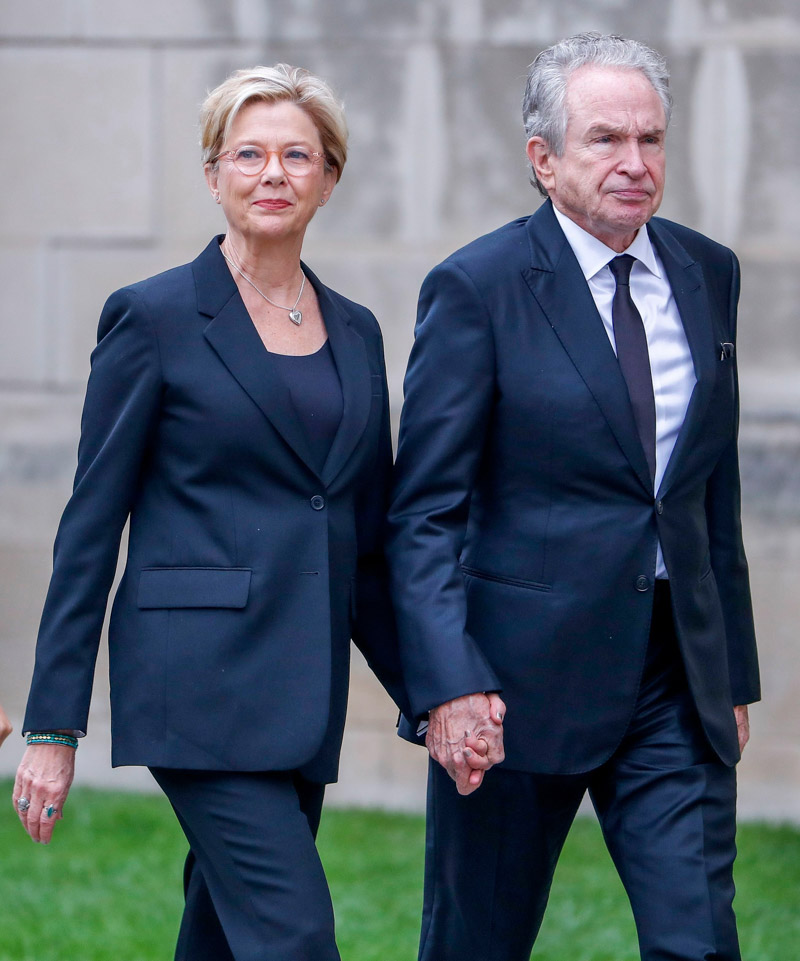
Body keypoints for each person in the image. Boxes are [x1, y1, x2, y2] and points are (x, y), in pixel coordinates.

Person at [13, 63, 409, 961]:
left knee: (225, 938)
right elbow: (89, 526)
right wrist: (53, 723)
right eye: (251, 153)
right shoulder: (151, 318)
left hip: (302, 682)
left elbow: (364, 536)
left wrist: (429, 693)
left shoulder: (357, 332)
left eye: (297, 154)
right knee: (296, 935)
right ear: (214, 174)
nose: (274, 173)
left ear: (330, 178)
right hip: (195, 683)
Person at [387, 32, 759, 961]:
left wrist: (734, 675)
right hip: (512, 692)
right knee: (477, 943)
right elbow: (424, 511)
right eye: (605, 140)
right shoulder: (478, 288)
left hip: (676, 678)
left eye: (652, 140)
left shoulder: (708, 272)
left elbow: (710, 487)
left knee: (699, 941)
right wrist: (449, 685)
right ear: (543, 160)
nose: (635, 164)